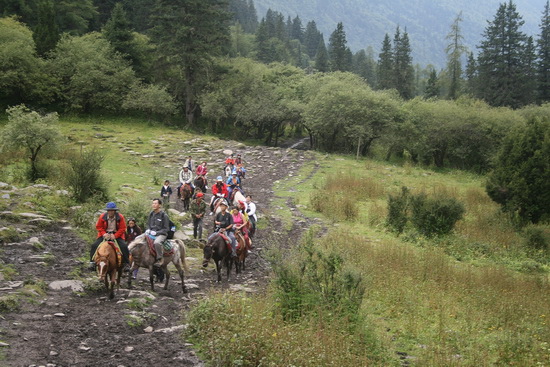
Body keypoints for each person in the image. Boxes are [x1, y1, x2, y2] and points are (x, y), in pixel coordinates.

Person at [89, 202, 129, 271]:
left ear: (115, 211)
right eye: (109, 210)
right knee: (94, 245)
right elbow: (99, 226)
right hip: (105, 234)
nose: (110, 212)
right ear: (107, 211)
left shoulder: (120, 217)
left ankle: (126, 263)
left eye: (112, 210)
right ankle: (92, 262)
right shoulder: (102, 216)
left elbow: (122, 228)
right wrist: (104, 234)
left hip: (116, 234)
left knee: (124, 246)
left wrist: (115, 236)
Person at [145, 198, 170, 265]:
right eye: (153, 203)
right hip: (151, 233)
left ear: (159, 205)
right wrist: (148, 229)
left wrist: (157, 233)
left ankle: (160, 259)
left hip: (161, 234)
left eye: (155, 203)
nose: (153, 205)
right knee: (139, 238)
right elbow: (148, 224)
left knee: (157, 243)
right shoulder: (151, 214)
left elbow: (166, 228)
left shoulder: (164, 215)